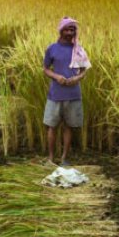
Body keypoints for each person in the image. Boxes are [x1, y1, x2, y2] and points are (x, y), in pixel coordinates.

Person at [43, 17, 91, 166]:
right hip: (55, 94)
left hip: (73, 94)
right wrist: (56, 76)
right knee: (52, 126)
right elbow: (45, 69)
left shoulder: (79, 50)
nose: (70, 32)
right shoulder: (52, 49)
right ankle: (51, 158)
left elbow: (83, 71)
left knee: (69, 126)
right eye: (67, 29)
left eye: (72, 29)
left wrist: (77, 79)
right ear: (61, 30)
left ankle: (64, 158)